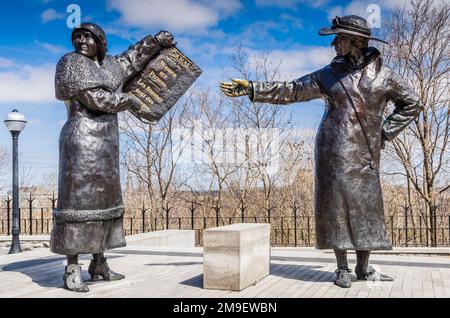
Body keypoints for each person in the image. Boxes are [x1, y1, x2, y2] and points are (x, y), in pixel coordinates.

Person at [220, 15, 423, 288]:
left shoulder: (386, 77)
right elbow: (292, 90)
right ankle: (341, 268)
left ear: (356, 42)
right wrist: (254, 88)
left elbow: (413, 103)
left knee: (367, 206)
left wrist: (385, 133)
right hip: (333, 149)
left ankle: (363, 268)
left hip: (366, 153)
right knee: (336, 205)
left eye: (338, 38)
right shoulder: (328, 75)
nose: (333, 43)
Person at [52, 23, 176, 292]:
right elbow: (96, 99)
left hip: (107, 144)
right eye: (77, 37)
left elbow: (133, 58)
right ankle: (72, 268)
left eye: (87, 37)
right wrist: (129, 100)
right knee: (78, 203)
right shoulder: (71, 64)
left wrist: (156, 41)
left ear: (100, 41)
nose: (81, 41)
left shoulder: (110, 64)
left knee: (104, 201)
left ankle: (98, 264)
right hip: (81, 141)